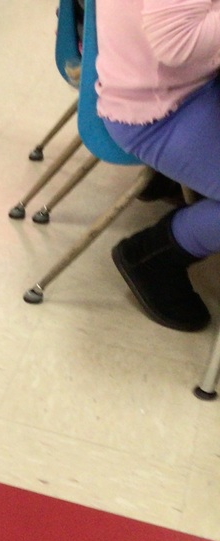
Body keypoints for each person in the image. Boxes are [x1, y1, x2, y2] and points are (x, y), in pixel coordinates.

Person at [96, 0, 220, 332]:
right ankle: (155, 256)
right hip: (158, 109)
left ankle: (174, 181)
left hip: (186, 81)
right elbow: (177, 41)